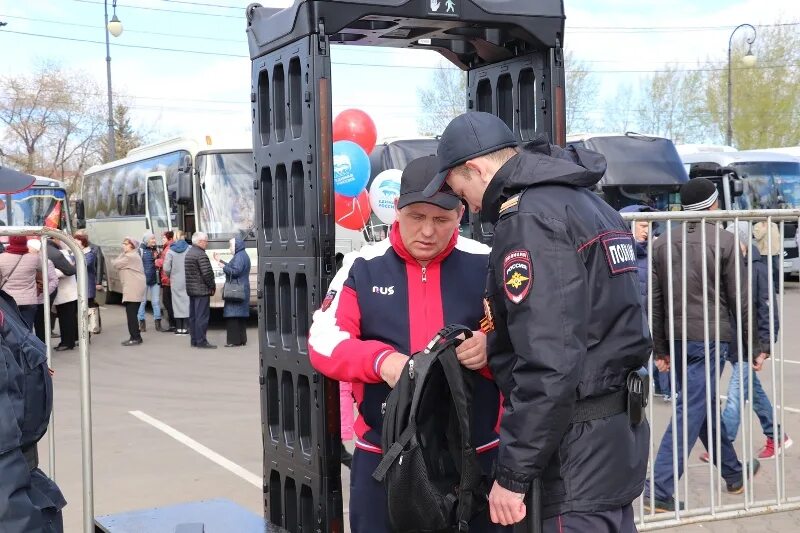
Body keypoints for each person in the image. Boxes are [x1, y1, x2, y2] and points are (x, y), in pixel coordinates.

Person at [423, 112, 651, 531]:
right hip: (615, 440)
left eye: (461, 191)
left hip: (573, 455)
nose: (468, 206)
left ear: (475, 169)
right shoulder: (590, 204)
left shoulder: (528, 219)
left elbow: (550, 361)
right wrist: (496, 345)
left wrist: (512, 476)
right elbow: (594, 323)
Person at [309, 155, 507, 533]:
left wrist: (490, 345)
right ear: (397, 210)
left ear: (461, 215)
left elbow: (530, 337)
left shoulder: (488, 262)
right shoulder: (362, 265)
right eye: (417, 217)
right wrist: (381, 361)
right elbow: (323, 341)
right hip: (385, 459)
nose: (429, 231)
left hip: (475, 455)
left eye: (442, 219)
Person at [647, 178, 757, 512]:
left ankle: (733, 473)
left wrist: (661, 348)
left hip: (678, 339)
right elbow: (741, 299)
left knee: (702, 405)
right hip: (710, 339)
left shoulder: (661, 242)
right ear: (713, 205)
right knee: (691, 409)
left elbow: (655, 301)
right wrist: (753, 344)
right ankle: (659, 488)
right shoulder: (725, 241)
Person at [699, 235, 791, 462]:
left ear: (743, 243)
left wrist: (765, 347)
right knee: (753, 392)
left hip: (751, 345)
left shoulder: (758, 269)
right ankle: (777, 436)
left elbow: (768, 311)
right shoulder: (729, 265)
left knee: (735, 394)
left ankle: (722, 447)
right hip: (734, 342)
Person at [620, 204, 672, 402]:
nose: (646, 230)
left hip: (650, 316)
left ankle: (663, 389)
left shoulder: (654, 252)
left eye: (648, 226)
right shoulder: (621, 253)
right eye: (642, 225)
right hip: (628, 320)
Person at [214, 236, 251, 347]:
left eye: (231, 245)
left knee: (233, 316)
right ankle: (241, 339)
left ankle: (234, 341)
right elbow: (233, 267)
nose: (229, 248)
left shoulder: (239, 256)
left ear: (236, 246)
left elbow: (235, 271)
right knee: (240, 316)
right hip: (241, 288)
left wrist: (222, 266)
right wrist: (220, 261)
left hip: (236, 289)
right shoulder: (242, 255)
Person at [0, 235, 41, 327]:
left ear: (11, 242)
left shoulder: (1, 258)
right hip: (29, 300)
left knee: (13, 330)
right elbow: (42, 274)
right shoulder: (34, 258)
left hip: (8, 301)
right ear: (25, 242)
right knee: (27, 329)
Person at [185, 232, 216, 349]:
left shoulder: (189, 253)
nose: (207, 243)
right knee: (201, 317)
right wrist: (212, 286)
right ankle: (201, 341)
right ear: (200, 242)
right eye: (206, 241)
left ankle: (194, 340)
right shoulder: (201, 255)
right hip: (202, 290)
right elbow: (207, 273)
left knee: (193, 316)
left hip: (192, 290)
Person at [112, 237, 145, 346]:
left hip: (133, 289)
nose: (123, 245)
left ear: (132, 246)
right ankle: (135, 336)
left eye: (126, 244)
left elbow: (115, 263)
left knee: (131, 314)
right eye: (123, 243)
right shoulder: (130, 255)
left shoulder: (130, 257)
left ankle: (135, 337)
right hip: (133, 288)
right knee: (131, 313)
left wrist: (120, 256)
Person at [28, 239, 59, 342]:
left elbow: (53, 280)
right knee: (27, 328)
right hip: (27, 300)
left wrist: (45, 293)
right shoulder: (24, 261)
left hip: (40, 301)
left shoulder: (47, 262)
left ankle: (42, 350)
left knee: (40, 327)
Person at [52, 241, 78, 352]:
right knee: (69, 319)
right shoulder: (65, 256)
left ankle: (67, 343)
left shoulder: (63, 258)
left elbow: (64, 273)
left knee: (66, 320)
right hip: (68, 294)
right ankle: (70, 340)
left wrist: (51, 271)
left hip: (66, 295)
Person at [163, 232, 191, 336]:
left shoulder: (171, 250)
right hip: (187, 279)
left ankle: (179, 328)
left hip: (175, 280)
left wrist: (171, 274)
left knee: (176, 303)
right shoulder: (189, 249)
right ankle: (186, 328)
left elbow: (166, 268)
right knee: (186, 301)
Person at [137, 232, 164, 332]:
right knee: (142, 302)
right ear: (147, 240)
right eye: (152, 239)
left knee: (156, 302)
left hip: (155, 280)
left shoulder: (156, 250)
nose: (154, 241)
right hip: (143, 280)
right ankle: (141, 323)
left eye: (154, 239)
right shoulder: (140, 250)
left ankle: (158, 323)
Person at [155, 231, 177, 332]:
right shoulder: (169, 247)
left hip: (167, 279)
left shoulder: (168, 248)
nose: (162, 239)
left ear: (169, 238)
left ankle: (173, 324)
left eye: (164, 237)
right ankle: (174, 323)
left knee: (167, 302)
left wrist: (156, 261)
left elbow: (165, 262)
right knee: (169, 302)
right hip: (168, 279)